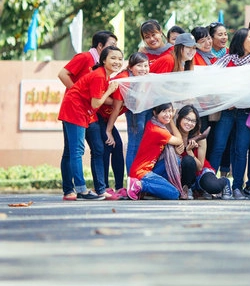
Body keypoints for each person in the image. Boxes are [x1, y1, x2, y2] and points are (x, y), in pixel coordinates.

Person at [57, 30, 118, 199]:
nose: (115, 53)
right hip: (78, 108)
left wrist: (119, 101)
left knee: (97, 148)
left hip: (89, 111)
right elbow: (62, 74)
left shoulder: (102, 71)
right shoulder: (85, 58)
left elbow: (98, 98)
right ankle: (73, 190)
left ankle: (100, 189)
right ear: (100, 47)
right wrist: (77, 93)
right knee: (73, 150)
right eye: (112, 46)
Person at [208, 28, 250, 199]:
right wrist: (225, 100)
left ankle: (237, 187)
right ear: (240, 40)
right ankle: (209, 184)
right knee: (218, 146)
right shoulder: (227, 60)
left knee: (241, 149)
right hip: (227, 111)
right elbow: (213, 81)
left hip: (246, 112)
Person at [127, 103, 185, 200]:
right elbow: (179, 140)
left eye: (170, 111)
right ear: (155, 113)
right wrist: (171, 121)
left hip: (147, 169)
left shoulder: (152, 123)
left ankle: (149, 189)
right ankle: (139, 185)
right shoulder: (159, 131)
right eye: (164, 111)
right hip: (141, 173)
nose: (168, 114)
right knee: (174, 193)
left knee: (176, 160)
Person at [104, 52, 150, 175]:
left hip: (122, 111)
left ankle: (135, 180)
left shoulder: (139, 78)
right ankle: (131, 181)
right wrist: (109, 130)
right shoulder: (124, 81)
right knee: (134, 145)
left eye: (146, 66)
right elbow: (116, 107)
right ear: (130, 67)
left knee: (137, 145)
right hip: (100, 115)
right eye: (140, 66)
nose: (144, 69)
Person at [175, 105, 232, 199]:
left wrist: (189, 151)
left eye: (193, 121)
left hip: (200, 173)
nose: (189, 123)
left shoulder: (200, 138)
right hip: (182, 175)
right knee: (187, 161)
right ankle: (187, 188)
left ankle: (224, 181)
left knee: (213, 187)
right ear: (179, 117)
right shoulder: (174, 136)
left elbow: (200, 167)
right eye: (187, 119)